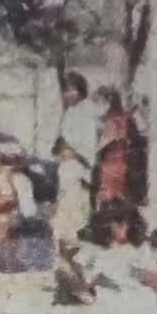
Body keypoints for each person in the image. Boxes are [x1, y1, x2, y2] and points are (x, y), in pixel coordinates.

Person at [53, 71, 99, 239]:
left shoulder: (87, 116)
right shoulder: (69, 114)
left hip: (78, 173)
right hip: (66, 172)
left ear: (80, 91)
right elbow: (61, 141)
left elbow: (89, 153)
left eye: (71, 89)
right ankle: (63, 257)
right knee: (62, 218)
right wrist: (60, 151)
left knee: (76, 220)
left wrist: (73, 154)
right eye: (65, 90)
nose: (67, 94)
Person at [93, 88, 131, 208]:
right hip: (120, 164)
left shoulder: (112, 121)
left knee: (107, 199)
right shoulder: (122, 119)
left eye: (99, 102)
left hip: (110, 166)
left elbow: (103, 145)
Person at [53, 236, 96, 306]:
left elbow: (82, 286)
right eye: (72, 250)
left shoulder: (76, 266)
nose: (74, 252)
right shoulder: (63, 268)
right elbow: (79, 290)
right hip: (68, 304)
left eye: (75, 250)